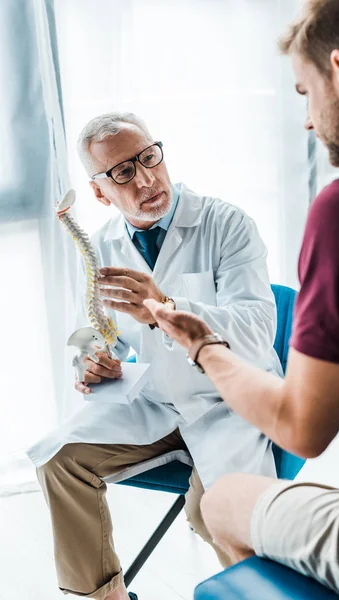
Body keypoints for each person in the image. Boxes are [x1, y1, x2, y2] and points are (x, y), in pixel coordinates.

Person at [144, 1, 339, 598]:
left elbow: (302, 429)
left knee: (225, 499)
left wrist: (204, 345)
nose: (308, 121)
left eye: (304, 92)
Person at [27, 112, 282, 600]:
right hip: (156, 404)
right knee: (59, 461)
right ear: (100, 192)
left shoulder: (226, 224)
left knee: (218, 518)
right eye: (123, 171)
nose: (145, 178)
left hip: (231, 403)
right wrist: (93, 365)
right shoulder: (102, 248)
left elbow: (257, 331)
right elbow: (104, 338)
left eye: (149, 158)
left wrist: (164, 308)